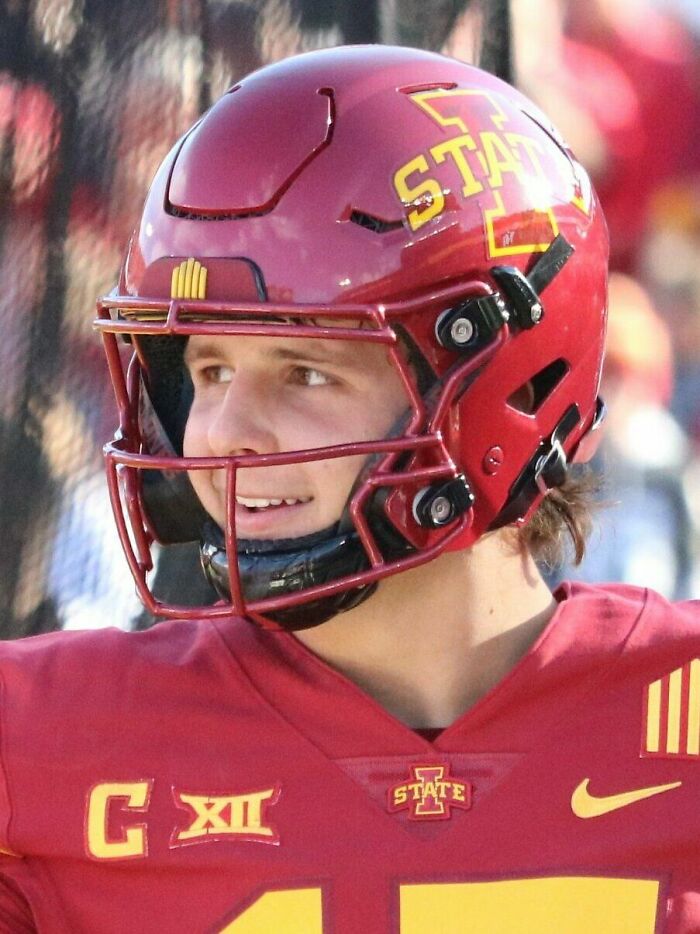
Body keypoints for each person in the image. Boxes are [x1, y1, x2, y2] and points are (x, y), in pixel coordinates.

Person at [0, 44, 698, 932]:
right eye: (207, 370)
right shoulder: (39, 744)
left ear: (503, 387)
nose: (225, 431)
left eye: (305, 372)